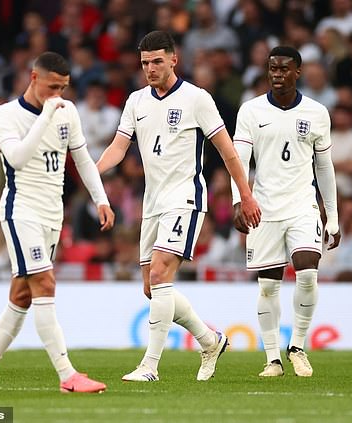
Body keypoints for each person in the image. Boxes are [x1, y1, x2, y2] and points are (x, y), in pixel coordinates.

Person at [96, 30, 260, 382]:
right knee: (152, 288)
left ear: (174, 59)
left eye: (157, 61)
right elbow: (118, 148)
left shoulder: (196, 98)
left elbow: (227, 150)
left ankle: (150, 367)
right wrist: (92, 172)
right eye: (144, 63)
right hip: (152, 201)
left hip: (185, 197)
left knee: (159, 275)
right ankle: (210, 340)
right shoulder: (136, 101)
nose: (150, 68)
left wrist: (244, 194)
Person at [0, 52, 115, 393]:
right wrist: (45, 116)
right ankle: (68, 375)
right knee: (45, 284)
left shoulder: (68, 110)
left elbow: (82, 158)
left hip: (52, 214)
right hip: (22, 210)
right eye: (52, 87)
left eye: (63, 88)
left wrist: (101, 199)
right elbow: (16, 158)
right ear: (33, 79)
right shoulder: (5, 114)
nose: (57, 95)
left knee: (22, 295)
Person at [230, 46, 341, 378]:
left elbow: (325, 168)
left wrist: (332, 216)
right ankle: (272, 359)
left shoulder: (317, 112)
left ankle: (298, 346)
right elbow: (238, 161)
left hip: (302, 206)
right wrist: (239, 200)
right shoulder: (250, 111)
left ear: (298, 72)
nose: (277, 74)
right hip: (263, 208)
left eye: (284, 69)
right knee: (268, 286)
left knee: (307, 272)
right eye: (272, 69)